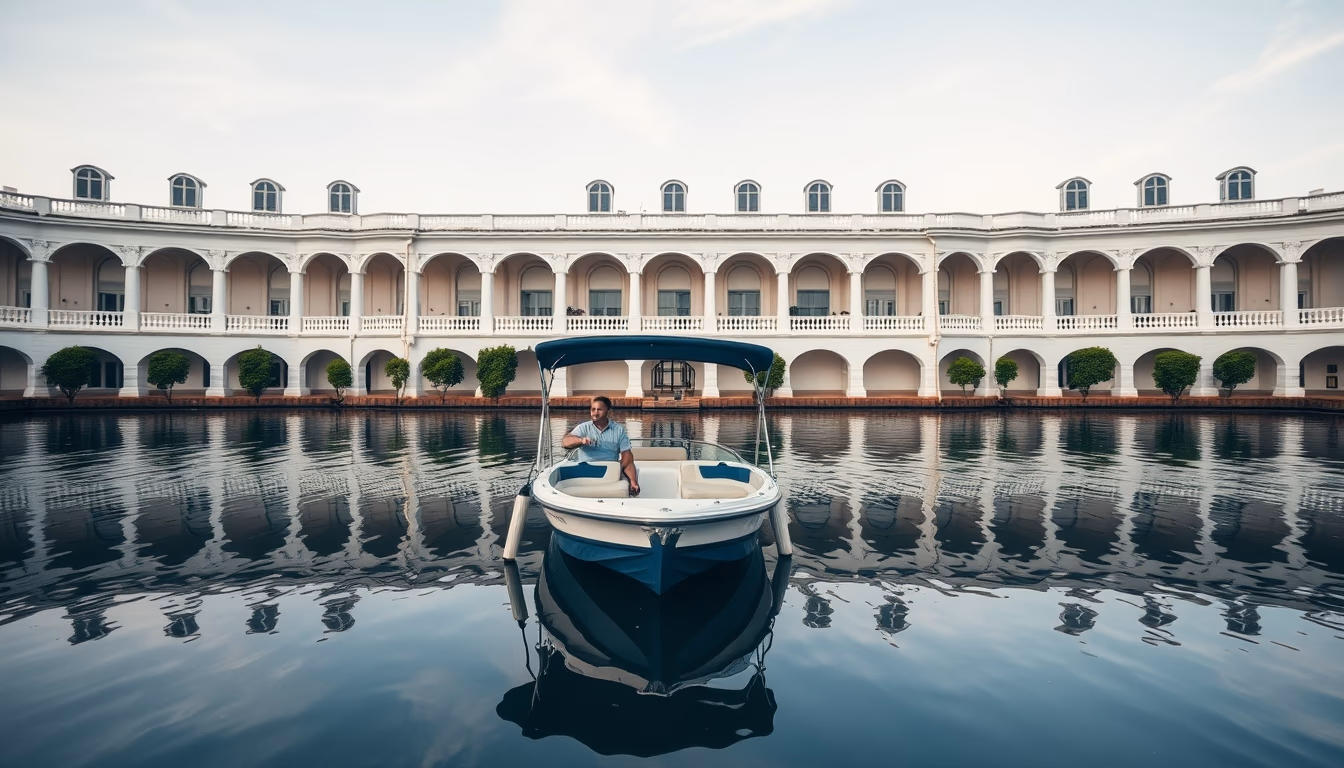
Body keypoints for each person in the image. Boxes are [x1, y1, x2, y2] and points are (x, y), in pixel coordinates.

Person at [561, 396, 640, 496]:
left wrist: (633, 481)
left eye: (599, 409)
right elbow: (565, 442)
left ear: (608, 411)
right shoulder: (583, 428)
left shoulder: (618, 430)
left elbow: (628, 460)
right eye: (593, 409)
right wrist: (580, 440)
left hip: (610, 473)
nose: (595, 413)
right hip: (586, 473)